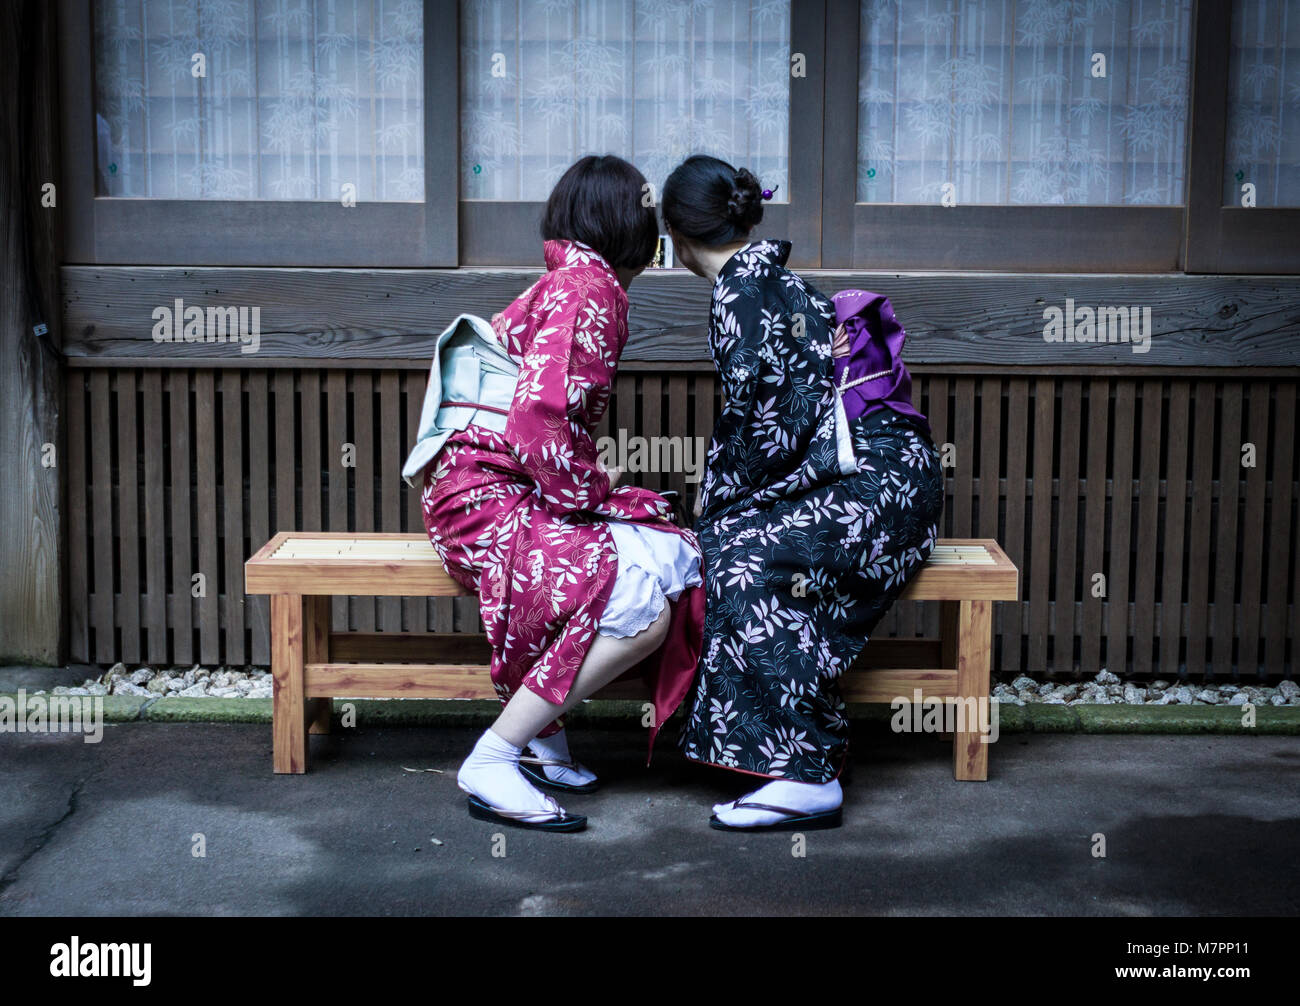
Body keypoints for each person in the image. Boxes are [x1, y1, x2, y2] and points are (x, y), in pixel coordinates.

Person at [405, 155, 705, 832]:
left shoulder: (569, 280)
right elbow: (540, 419)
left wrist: (599, 499)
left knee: (647, 555)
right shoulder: (589, 290)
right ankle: (496, 755)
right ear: (631, 226)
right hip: (490, 501)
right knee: (644, 595)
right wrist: (600, 499)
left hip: (472, 491)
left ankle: (542, 739)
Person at [661, 154, 944, 831]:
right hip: (890, 473)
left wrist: (714, 511)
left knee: (742, 561)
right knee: (726, 547)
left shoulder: (741, 291)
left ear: (675, 233)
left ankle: (806, 772)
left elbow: (767, 427)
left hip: (873, 480)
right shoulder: (764, 279)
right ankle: (788, 757)